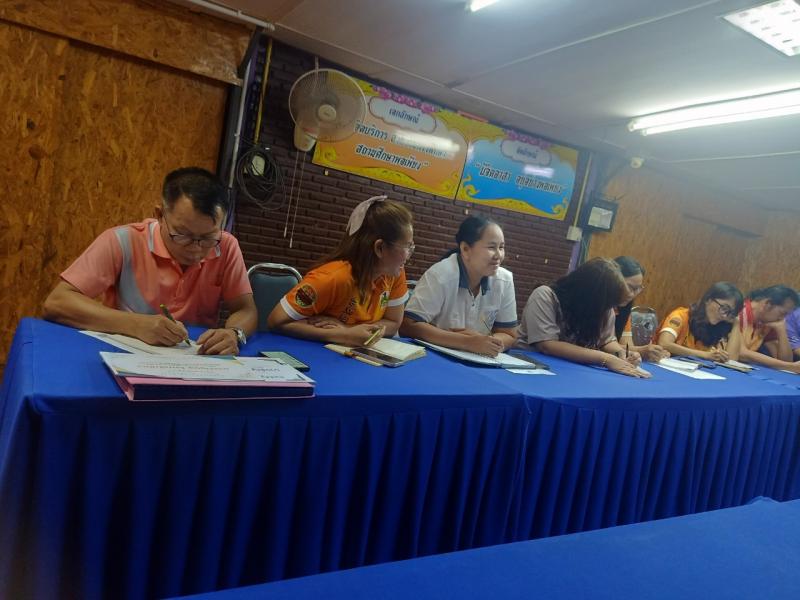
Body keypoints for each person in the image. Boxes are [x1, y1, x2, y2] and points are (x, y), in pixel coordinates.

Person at [42, 167, 257, 355]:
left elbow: (245, 310)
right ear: (160, 215)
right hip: (124, 353)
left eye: (208, 237)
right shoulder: (124, 241)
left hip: (193, 360)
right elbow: (58, 302)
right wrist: (136, 324)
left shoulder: (226, 246)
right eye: (182, 234)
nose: (195, 248)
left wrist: (234, 333)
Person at [267, 195, 413, 346]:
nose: (409, 255)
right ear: (380, 248)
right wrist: (343, 335)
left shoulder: (394, 272)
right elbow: (276, 321)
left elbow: (393, 322)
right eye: (407, 246)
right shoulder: (331, 278)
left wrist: (348, 330)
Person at [400, 215, 517, 357]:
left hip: (478, 358)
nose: (498, 255)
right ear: (465, 249)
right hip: (434, 356)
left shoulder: (504, 280)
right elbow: (408, 325)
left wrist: (486, 342)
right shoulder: (441, 275)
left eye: (501, 247)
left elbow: (509, 335)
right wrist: (467, 342)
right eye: (492, 247)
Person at [518, 257, 649, 378]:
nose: (609, 309)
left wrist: (621, 354)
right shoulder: (545, 296)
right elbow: (547, 345)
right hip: (529, 364)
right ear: (589, 293)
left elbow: (606, 341)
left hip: (570, 369)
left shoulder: (605, 306)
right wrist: (606, 359)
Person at [656, 282, 743, 361]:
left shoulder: (720, 326)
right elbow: (664, 343)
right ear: (708, 300)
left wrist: (736, 323)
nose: (724, 316)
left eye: (730, 313)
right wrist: (704, 355)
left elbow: (731, 360)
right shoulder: (681, 316)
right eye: (724, 308)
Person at [613, 256, 669, 361]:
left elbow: (626, 345)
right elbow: (600, 345)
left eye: (638, 289)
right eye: (630, 287)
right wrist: (640, 351)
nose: (632, 294)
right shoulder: (601, 306)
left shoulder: (623, 309)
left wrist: (648, 352)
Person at [736, 285, 800, 372]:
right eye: (782, 313)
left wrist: (781, 331)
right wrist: (790, 366)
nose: (782, 319)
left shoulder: (768, 321)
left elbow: (785, 360)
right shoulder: (738, 312)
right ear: (767, 304)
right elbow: (741, 353)